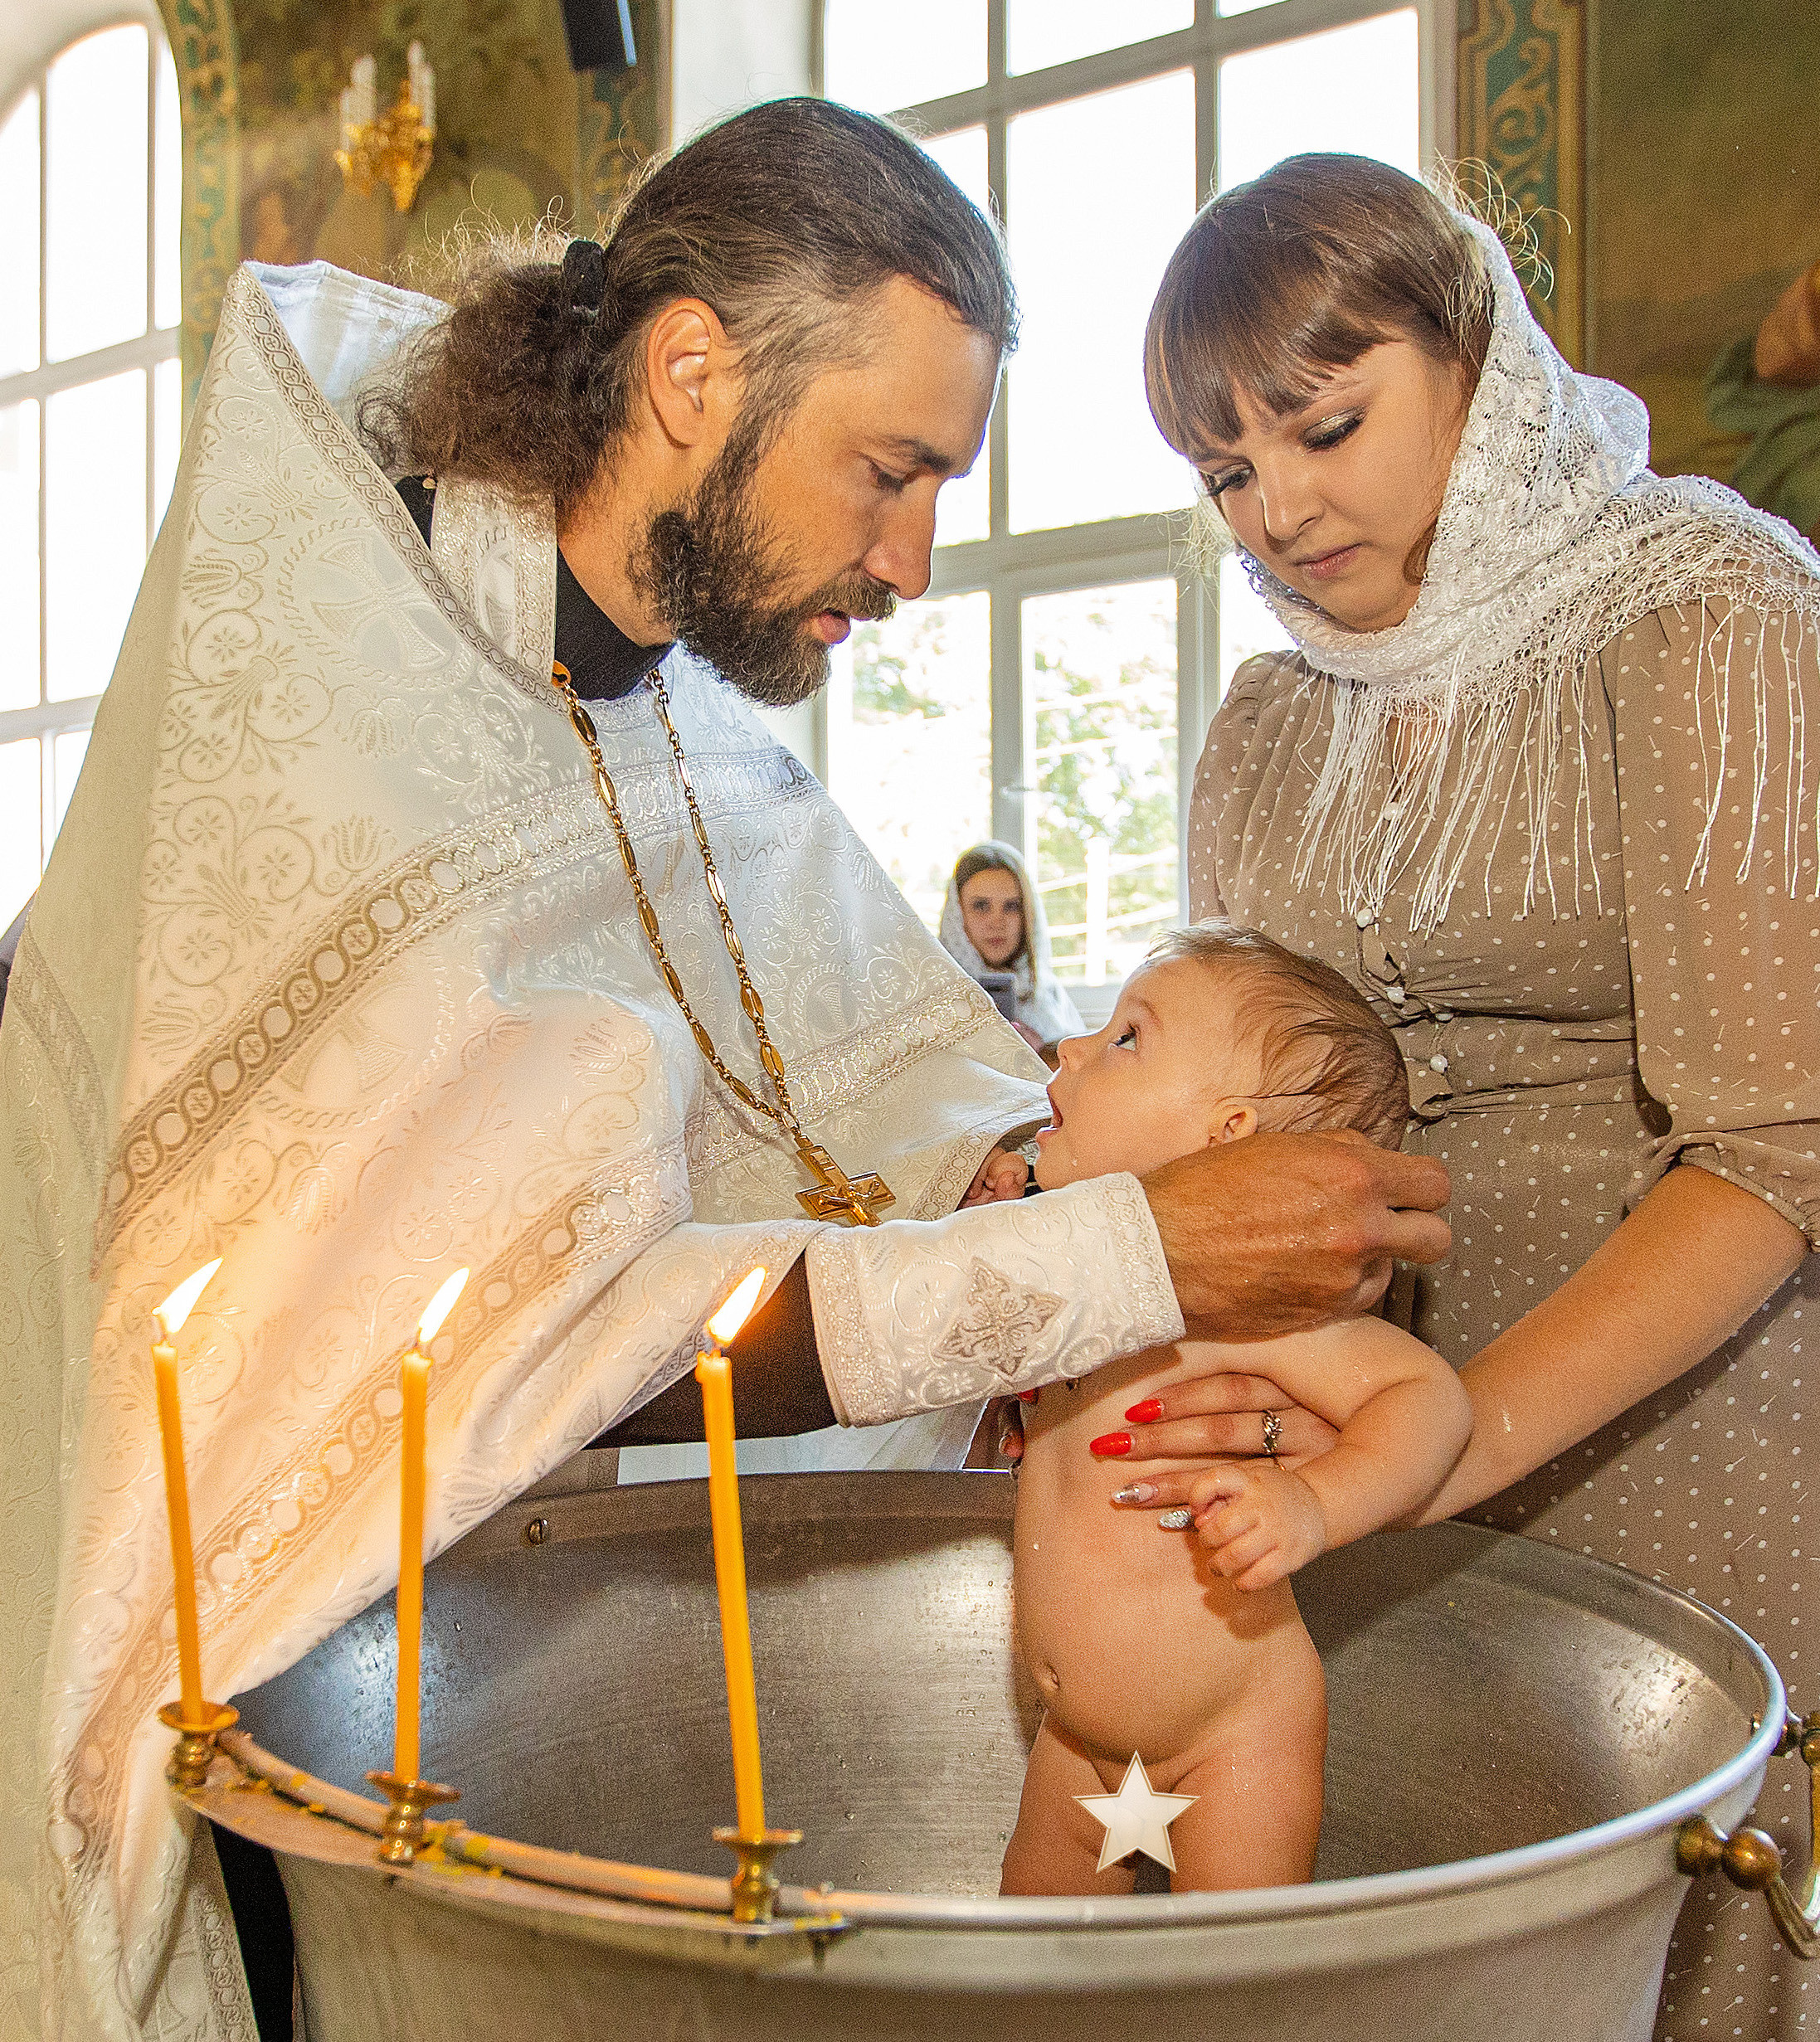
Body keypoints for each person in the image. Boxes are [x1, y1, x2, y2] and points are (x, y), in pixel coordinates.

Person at [0, 110, 1451, 2042]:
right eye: (890, 469)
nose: (916, 557)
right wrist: (1123, 1252)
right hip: (251, 1640)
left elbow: (862, 1092)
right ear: (692, 373)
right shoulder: (361, 719)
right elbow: (523, 1330)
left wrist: (1095, 1184)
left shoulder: (670, 699)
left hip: (477, 1632)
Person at [1112, 152, 1820, 2039]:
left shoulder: (1704, 605)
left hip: (1671, 1425)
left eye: (1325, 426)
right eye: (1225, 471)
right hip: (1361, 1454)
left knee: (1654, 1939)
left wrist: (1449, 1438)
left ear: (1475, 354)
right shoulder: (1269, 715)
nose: (1279, 506)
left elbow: (1775, 1142)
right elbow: (1244, 1116)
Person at [972, 925, 1469, 1895]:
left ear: (1229, 1134)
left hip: (1234, 1735)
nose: (1072, 1047)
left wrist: (1315, 1503)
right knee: (1032, 1976)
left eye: (1125, 1037)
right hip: (1076, 1743)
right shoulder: (1072, 1259)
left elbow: (1425, 1397)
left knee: (1238, 1989)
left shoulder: (1238, 1305)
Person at [938, 839, 1082, 1058]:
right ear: (957, 914)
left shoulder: (1047, 994)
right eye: (981, 906)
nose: (997, 922)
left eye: (1012, 907)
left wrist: (1042, 1054)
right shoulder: (935, 995)